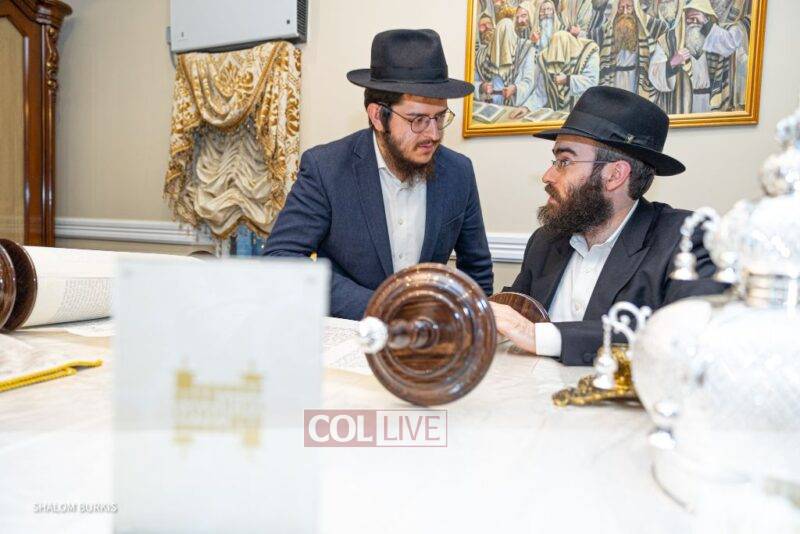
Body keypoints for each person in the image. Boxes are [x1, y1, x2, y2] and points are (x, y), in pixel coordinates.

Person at [265, 29, 493, 320]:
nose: (434, 134)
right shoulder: (326, 168)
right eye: (418, 120)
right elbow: (281, 260)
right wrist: (386, 307)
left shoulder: (459, 172)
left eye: (439, 117)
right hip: (349, 330)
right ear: (377, 116)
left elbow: (477, 273)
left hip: (426, 338)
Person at [491, 86, 725, 365]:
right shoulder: (545, 241)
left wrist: (538, 335)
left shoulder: (687, 241)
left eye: (564, 162)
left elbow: (684, 337)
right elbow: (512, 315)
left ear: (615, 175)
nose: (548, 175)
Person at [649, 0, 740, 113]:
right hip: (682, 103)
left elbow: (730, 46)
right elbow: (653, 74)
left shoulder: (715, 39)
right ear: (683, 18)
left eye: (698, 19)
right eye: (690, 19)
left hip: (710, 104)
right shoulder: (668, 40)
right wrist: (672, 63)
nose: (694, 22)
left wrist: (706, 23)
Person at [598, 0, 667, 98]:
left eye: (629, 7)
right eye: (621, 8)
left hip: (634, 80)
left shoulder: (646, 28)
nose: (625, 12)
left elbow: (663, 32)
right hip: (614, 81)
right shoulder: (605, 31)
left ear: (635, 8)